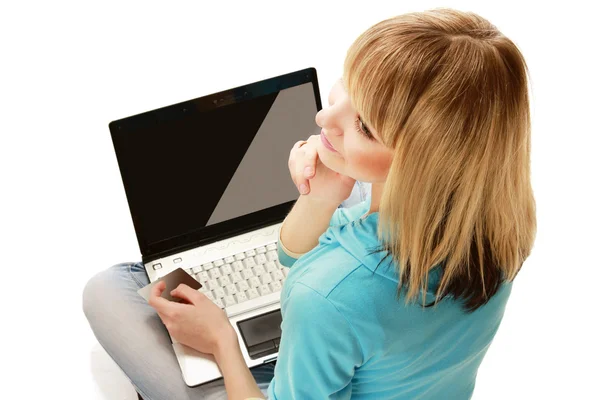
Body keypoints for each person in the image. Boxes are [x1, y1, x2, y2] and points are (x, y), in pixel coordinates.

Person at [83, 7, 536, 399]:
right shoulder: (498, 235)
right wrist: (323, 194)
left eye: (363, 126)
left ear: (418, 165)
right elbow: (293, 255)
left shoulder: (324, 294)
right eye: (346, 89)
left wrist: (222, 339)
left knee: (110, 287)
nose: (323, 119)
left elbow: (318, 286)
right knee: (354, 196)